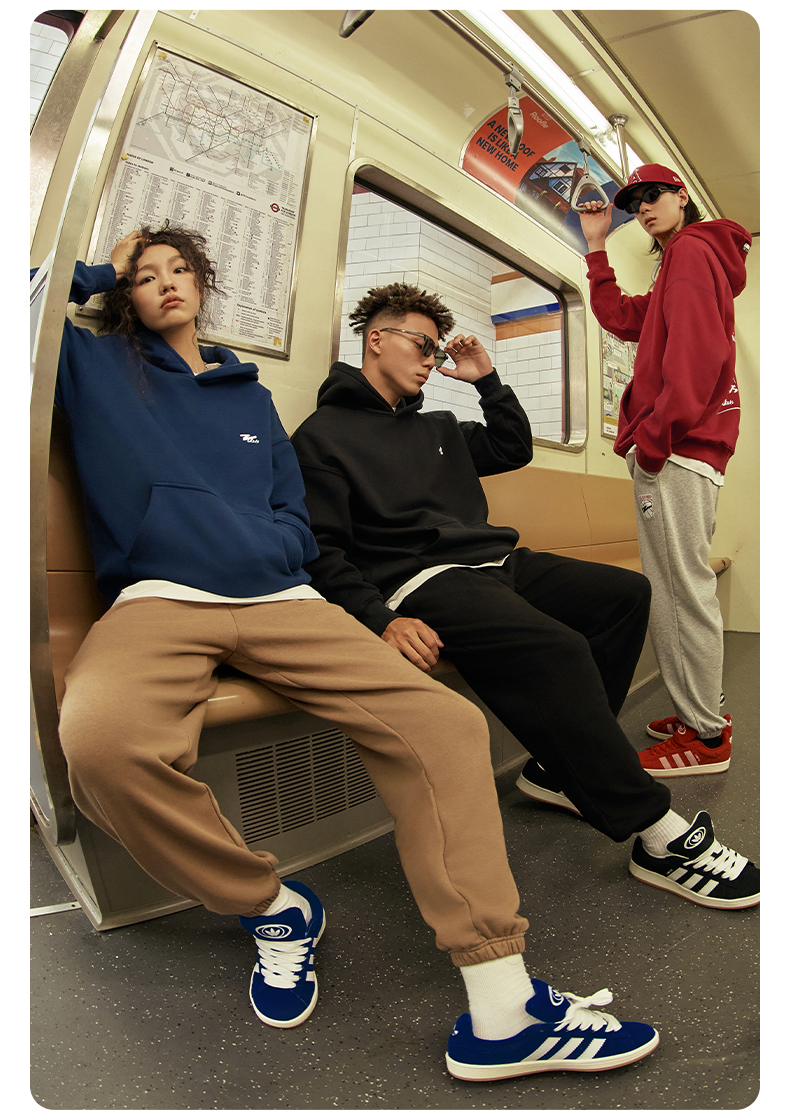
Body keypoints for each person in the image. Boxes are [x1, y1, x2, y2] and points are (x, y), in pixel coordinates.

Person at [43, 224, 661, 1082]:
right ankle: (271, 905)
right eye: (145, 276)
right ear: (124, 293)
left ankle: (502, 1007)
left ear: (204, 284)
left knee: (447, 726)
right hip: (158, 598)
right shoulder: (94, 365)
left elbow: (294, 514)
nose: (166, 283)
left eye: (181, 269)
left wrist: (278, 554)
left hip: (282, 600)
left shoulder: (251, 397)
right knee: (100, 744)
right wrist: (94, 273)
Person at [290, 281, 759, 913]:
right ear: (377, 339)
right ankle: (657, 834)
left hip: (498, 563)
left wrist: (486, 378)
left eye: (436, 349)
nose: (431, 359)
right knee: (557, 647)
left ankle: (560, 768)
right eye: (422, 345)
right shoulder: (323, 435)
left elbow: (510, 445)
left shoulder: (438, 427)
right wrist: (381, 620)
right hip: (421, 579)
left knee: (624, 594)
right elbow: (321, 548)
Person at [579, 165, 752, 776]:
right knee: (684, 587)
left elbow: (699, 356)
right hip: (688, 447)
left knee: (680, 592)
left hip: (676, 448)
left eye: (653, 195)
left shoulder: (691, 251)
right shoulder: (686, 260)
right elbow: (623, 318)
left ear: (682, 197)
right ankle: (702, 711)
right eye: (635, 203)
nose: (643, 208)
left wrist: (653, 442)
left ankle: (706, 738)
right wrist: (596, 245)